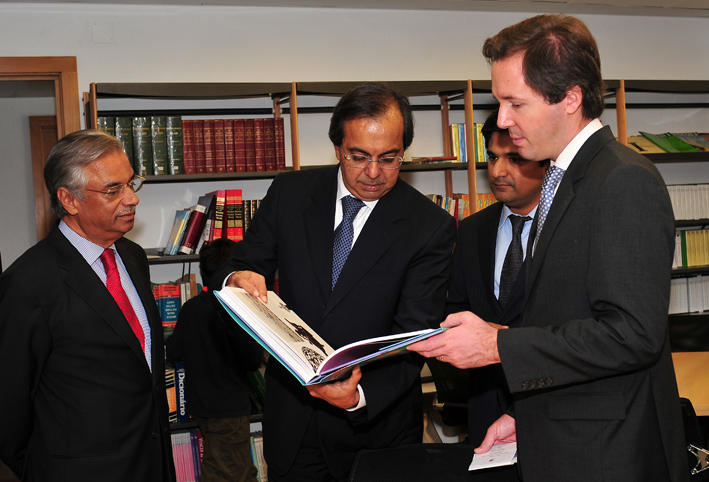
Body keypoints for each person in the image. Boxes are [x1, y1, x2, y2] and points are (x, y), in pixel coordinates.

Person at [410, 14, 688, 482]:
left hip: (608, 457)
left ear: (570, 99)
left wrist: (497, 344)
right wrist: (527, 417)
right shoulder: (563, 178)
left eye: (514, 103)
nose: (501, 119)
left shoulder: (622, 180)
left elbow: (632, 335)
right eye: (499, 102)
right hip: (565, 440)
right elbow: (568, 318)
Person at [212, 82, 457, 482]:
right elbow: (238, 263)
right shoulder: (290, 193)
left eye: (390, 158)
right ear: (338, 148)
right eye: (359, 157)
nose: (374, 173)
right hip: (294, 421)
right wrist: (237, 276)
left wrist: (359, 396)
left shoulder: (430, 227)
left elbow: (413, 336)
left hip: (376, 430)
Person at [0, 130, 176, 481]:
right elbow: (8, 408)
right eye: (113, 190)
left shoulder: (133, 256)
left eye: (131, 183)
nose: (132, 199)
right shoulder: (28, 283)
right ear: (69, 200)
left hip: (151, 462)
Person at [444, 109, 547, 446]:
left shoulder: (566, 231)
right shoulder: (472, 230)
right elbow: (457, 310)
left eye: (514, 158)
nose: (499, 171)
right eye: (492, 157)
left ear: (544, 159)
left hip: (550, 406)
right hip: (485, 411)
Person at [166, 238, 263, 482]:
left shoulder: (190, 308)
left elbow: (174, 351)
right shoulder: (235, 312)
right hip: (229, 407)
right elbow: (251, 361)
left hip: (201, 406)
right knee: (224, 470)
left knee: (238, 467)